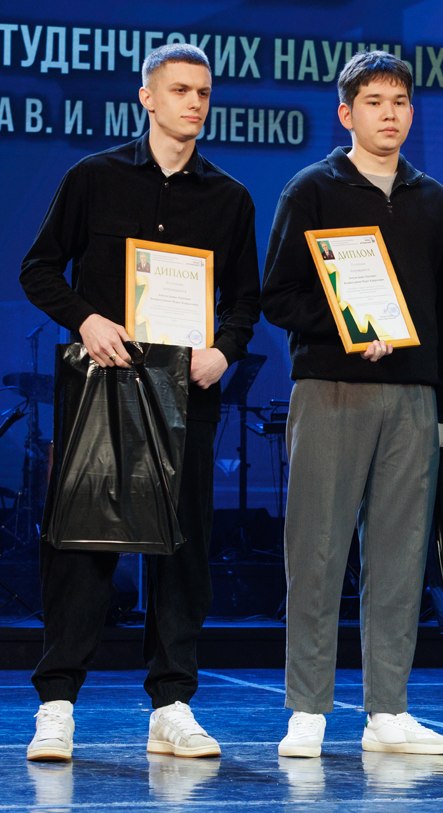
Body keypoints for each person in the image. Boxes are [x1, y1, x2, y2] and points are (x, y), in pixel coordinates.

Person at [19, 43, 260, 761]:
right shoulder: (92, 177)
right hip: (101, 388)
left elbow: (245, 300)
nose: (194, 103)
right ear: (147, 98)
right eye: (180, 90)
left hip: (186, 394)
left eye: (204, 92)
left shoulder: (229, 197)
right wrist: (86, 320)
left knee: (182, 550)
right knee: (83, 545)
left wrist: (225, 349)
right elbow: (38, 269)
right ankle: (57, 704)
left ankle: (172, 706)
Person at [260, 51, 443, 758]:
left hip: (413, 396)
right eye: (374, 102)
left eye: (399, 102)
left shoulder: (433, 200)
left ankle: (388, 712)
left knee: (400, 556)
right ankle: (308, 710)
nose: (389, 114)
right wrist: (345, 328)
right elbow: (277, 295)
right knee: (316, 550)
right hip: (331, 388)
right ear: (346, 113)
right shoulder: (312, 189)